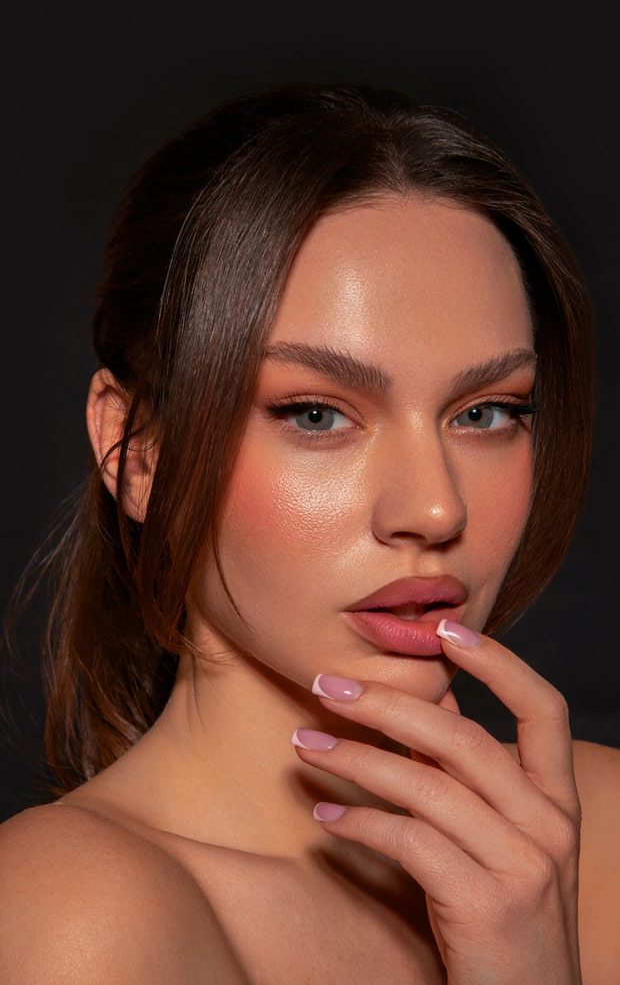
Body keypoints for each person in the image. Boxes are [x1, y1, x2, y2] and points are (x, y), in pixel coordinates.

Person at [0, 84, 617, 983]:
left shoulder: (592, 837)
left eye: (486, 411)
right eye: (317, 414)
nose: (435, 510)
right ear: (139, 454)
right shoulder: (76, 912)